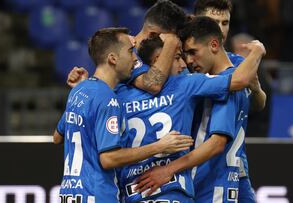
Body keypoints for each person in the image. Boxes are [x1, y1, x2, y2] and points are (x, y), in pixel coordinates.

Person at [52, 27, 194, 203]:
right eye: (130, 51)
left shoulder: (79, 91)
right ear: (112, 58)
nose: (135, 59)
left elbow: (57, 137)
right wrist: (159, 146)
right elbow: (108, 158)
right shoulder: (108, 99)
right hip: (98, 196)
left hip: (69, 195)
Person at [135, 17, 266, 203]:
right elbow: (258, 102)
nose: (188, 60)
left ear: (213, 45)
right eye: (184, 54)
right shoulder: (223, 81)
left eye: (192, 52)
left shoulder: (227, 86)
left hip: (211, 187)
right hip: (219, 183)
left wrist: (168, 170)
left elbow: (216, 144)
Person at [67, 0, 187, 95]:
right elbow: (152, 84)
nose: (174, 46)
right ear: (152, 35)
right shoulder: (126, 54)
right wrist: (171, 42)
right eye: (170, 40)